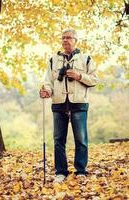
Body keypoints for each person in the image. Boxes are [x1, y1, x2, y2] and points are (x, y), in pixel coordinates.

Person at [40, 29, 99, 183]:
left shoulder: (86, 59)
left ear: (75, 40)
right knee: (58, 139)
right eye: (63, 38)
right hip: (58, 104)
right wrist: (46, 91)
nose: (65, 40)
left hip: (79, 104)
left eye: (69, 38)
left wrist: (79, 76)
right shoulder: (53, 60)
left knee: (81, 139)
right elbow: (48, 82)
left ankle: (81, 171)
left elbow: (94, 79)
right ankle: (61, 172)